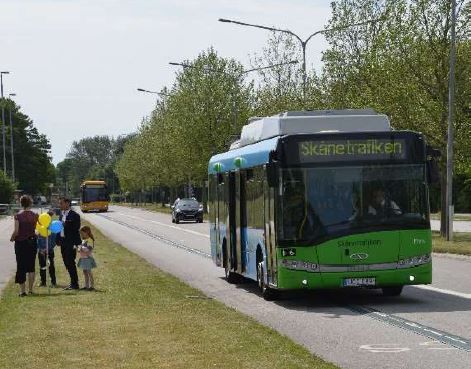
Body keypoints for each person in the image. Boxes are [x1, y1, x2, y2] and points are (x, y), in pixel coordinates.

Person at [10, 195, 39, 297]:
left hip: (21, 243)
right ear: (30, 203)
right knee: (31, 266)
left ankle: (22, 291)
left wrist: (12, 238)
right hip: (32, 242)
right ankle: (31, 289)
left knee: (21, 266)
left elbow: (16, 231)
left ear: (21, 203)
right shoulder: (35, 215)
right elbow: (36, 229)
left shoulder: (18, 215)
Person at [56, 197, 81, 290]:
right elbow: (59, 228)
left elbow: (76, 228)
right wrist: (57, 240)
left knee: (70, 262)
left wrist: (65, 223)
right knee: (66, 262)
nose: (60, 205)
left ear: (67, 203)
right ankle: (72, 282)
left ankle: (75, 284)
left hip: (71, 242)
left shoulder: (75, 215)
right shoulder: (61, 214)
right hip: (63, 242)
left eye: (61, 203)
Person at [37, 210, 57, 287]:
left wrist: (48, 249)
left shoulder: (52, 229)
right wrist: (40, 249)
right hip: (41, 251)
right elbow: (37, 240)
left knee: (51, 265)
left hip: (50, 251)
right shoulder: (39, 228)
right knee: (42, 266)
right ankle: (43, 281)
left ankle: (53, 281)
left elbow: (54, 242)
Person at [77, 226, 97, 291]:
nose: (81, 235)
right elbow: (80, 248)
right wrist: (79, 248)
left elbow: (89, 249)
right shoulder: (83, 240)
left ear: (87, 232)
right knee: (85, 272)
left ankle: (92, 286)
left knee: (89, 272)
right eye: (81, 234)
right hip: (83, 258)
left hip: (88, 258)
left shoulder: (90, 240)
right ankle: (86, 286)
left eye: (82, 233)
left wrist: (81, 248)